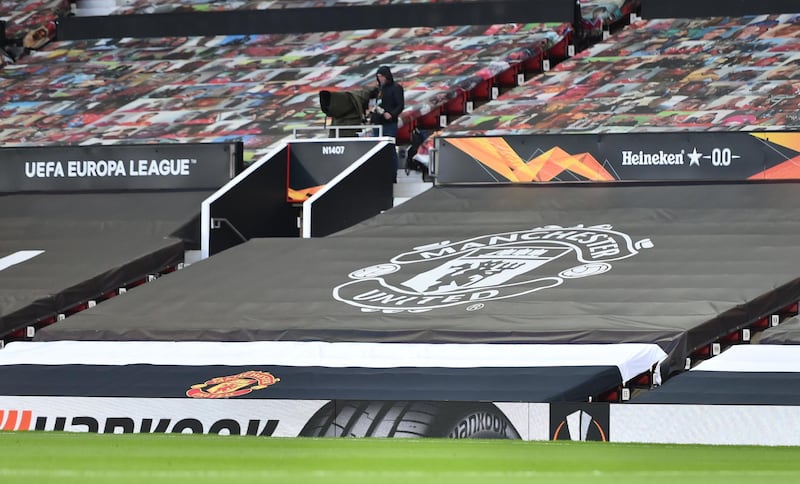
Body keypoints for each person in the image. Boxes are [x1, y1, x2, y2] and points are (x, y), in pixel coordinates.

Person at [370, 65, 404, 183]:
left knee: (390, 150)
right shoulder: (378, 89)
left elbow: (400, 105)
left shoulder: (396, 88)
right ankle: (378, 175)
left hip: (389, 123)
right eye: (378, 77)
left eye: (382, 77)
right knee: (376, 151)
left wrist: (392, 114)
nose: (380, 79)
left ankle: (392, 175)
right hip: (377, 122)